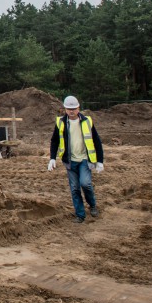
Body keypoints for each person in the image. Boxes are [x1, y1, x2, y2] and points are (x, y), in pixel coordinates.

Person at [48, 95, 104, 223]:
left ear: (78, 108)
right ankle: (80, 215)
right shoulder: (61, 122)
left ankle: (92, 205)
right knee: (74, 188)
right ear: (65, 109)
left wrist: (100, 160)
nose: (71, 111)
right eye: (69, 109)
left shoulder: (87, 121)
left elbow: (96, 141)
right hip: (69, 160)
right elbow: (54, 141)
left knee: (86, 184)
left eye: (74, 108)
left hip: (85, 159)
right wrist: (52, 158)